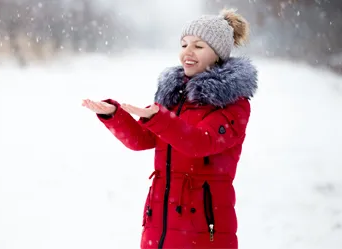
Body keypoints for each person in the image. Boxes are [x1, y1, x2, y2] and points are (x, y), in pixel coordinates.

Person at [82, 7, 258, 249]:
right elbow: (142, 140)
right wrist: (113, 114)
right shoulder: (175, 95)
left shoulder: (232, 104)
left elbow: (199, 142)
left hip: (203, 228)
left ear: (217, 54)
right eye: (184, 44)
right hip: (160, 223)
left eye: (198, 46)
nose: (187, 52)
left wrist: (159, 118)